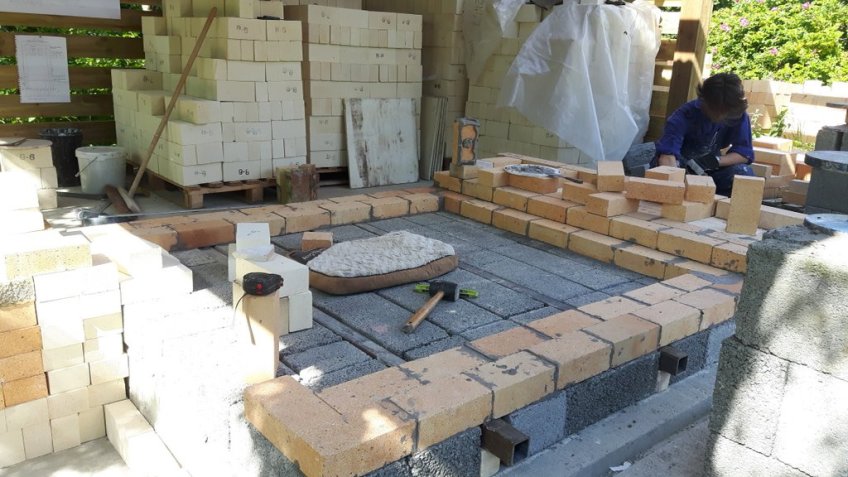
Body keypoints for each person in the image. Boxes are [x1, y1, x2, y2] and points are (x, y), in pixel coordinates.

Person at [653, 72, 755, 196]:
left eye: (725, 112)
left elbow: (744, 153)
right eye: (716, 110)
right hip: (681, 168)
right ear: (704, 100)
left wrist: (713, 161)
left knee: (744, 174)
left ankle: (717, 202)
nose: (721, 116)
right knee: (656, 167)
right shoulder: (684, 115)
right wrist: (677, 186)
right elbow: (667, 156)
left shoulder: (737, 114)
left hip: (711, 171)